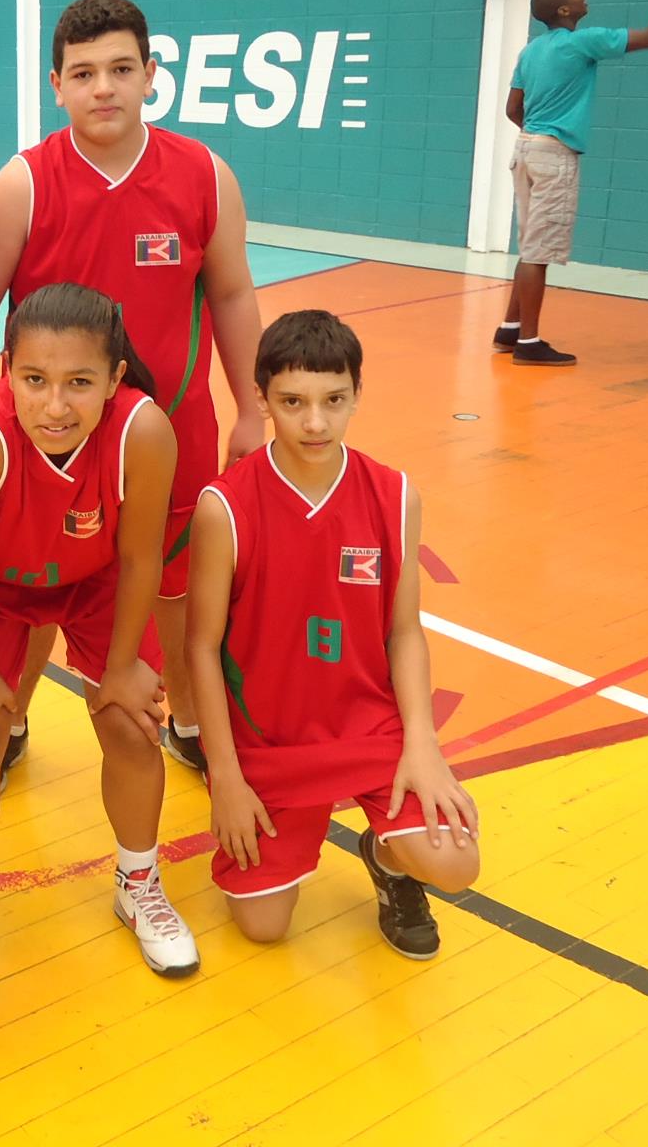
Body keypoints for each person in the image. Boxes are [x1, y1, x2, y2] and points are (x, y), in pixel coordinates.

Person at [0, 0, 263, 785]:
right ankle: (9, 715)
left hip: (173, 429)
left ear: (151, 75)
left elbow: (229, 294)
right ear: (57, 84)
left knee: (174, 588)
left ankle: (186, 718)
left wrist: (252, 406)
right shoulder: (23, 184)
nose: (104, 88)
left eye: (122, 69)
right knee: (25, 589)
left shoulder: (203, 175)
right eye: (84, 73)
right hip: (47, 437)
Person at [0, 283, 198, 1002]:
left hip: (97, 580)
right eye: (34, 381)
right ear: (8, 370)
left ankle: (139, 884)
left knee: (133, 729)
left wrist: (125, 664)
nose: (55, 405)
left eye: (79, 383)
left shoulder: (145, 431)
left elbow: (139, 560)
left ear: (115, 379)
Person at [186, 310, 480, 957]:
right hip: (270, 739)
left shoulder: (394, 496)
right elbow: (201, 650)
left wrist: (422, 744)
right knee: (263, 927)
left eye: (333, 401)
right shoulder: (225, 508)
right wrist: (226, 778)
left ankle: (390, 859)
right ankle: (300, 824)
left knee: (456, 863)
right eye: (292, 403)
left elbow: (404, 634)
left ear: (356, 396)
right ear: (262, 399)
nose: (314, 422)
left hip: (366, 728)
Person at [501, 0, 648, 366]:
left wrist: (538, 133)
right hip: (553, 155)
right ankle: (529, 345)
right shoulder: (584, 42)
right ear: (564, 12)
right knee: (537, 253)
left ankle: (509, 329)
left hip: (525, 149)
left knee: (529, 245)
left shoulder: (530, 51)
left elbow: (514, 109)